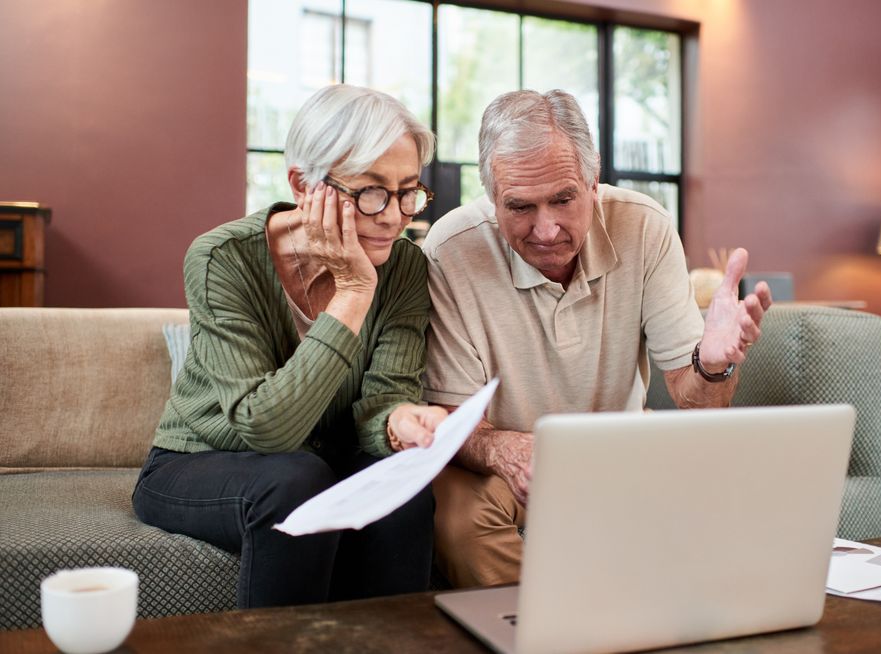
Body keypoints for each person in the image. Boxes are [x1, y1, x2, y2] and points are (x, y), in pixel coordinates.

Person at [422, 89, 773, 588]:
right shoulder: (449, 250)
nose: (546, 230)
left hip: (620, 445)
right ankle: (552, 630)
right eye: (520, 207)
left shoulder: (645, 225)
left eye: (563, 199)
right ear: (490, 193)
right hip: (503, 466)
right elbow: (456, 422)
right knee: (456, 519)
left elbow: (698, 403)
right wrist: (508, 452)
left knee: (728, 491)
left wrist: (712, 364)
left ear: (593, 179)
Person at [132, 84, 447, 608]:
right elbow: (264, 425)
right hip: (201, 461)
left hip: (322, 457)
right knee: (296, 478)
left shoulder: (407, 266)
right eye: (371, 192)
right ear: (303, 185)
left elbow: (382, 399)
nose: (395, 216)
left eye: (408, 191)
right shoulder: (221, 258)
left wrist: (398, 424)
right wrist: (352, 292)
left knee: (403, 489)